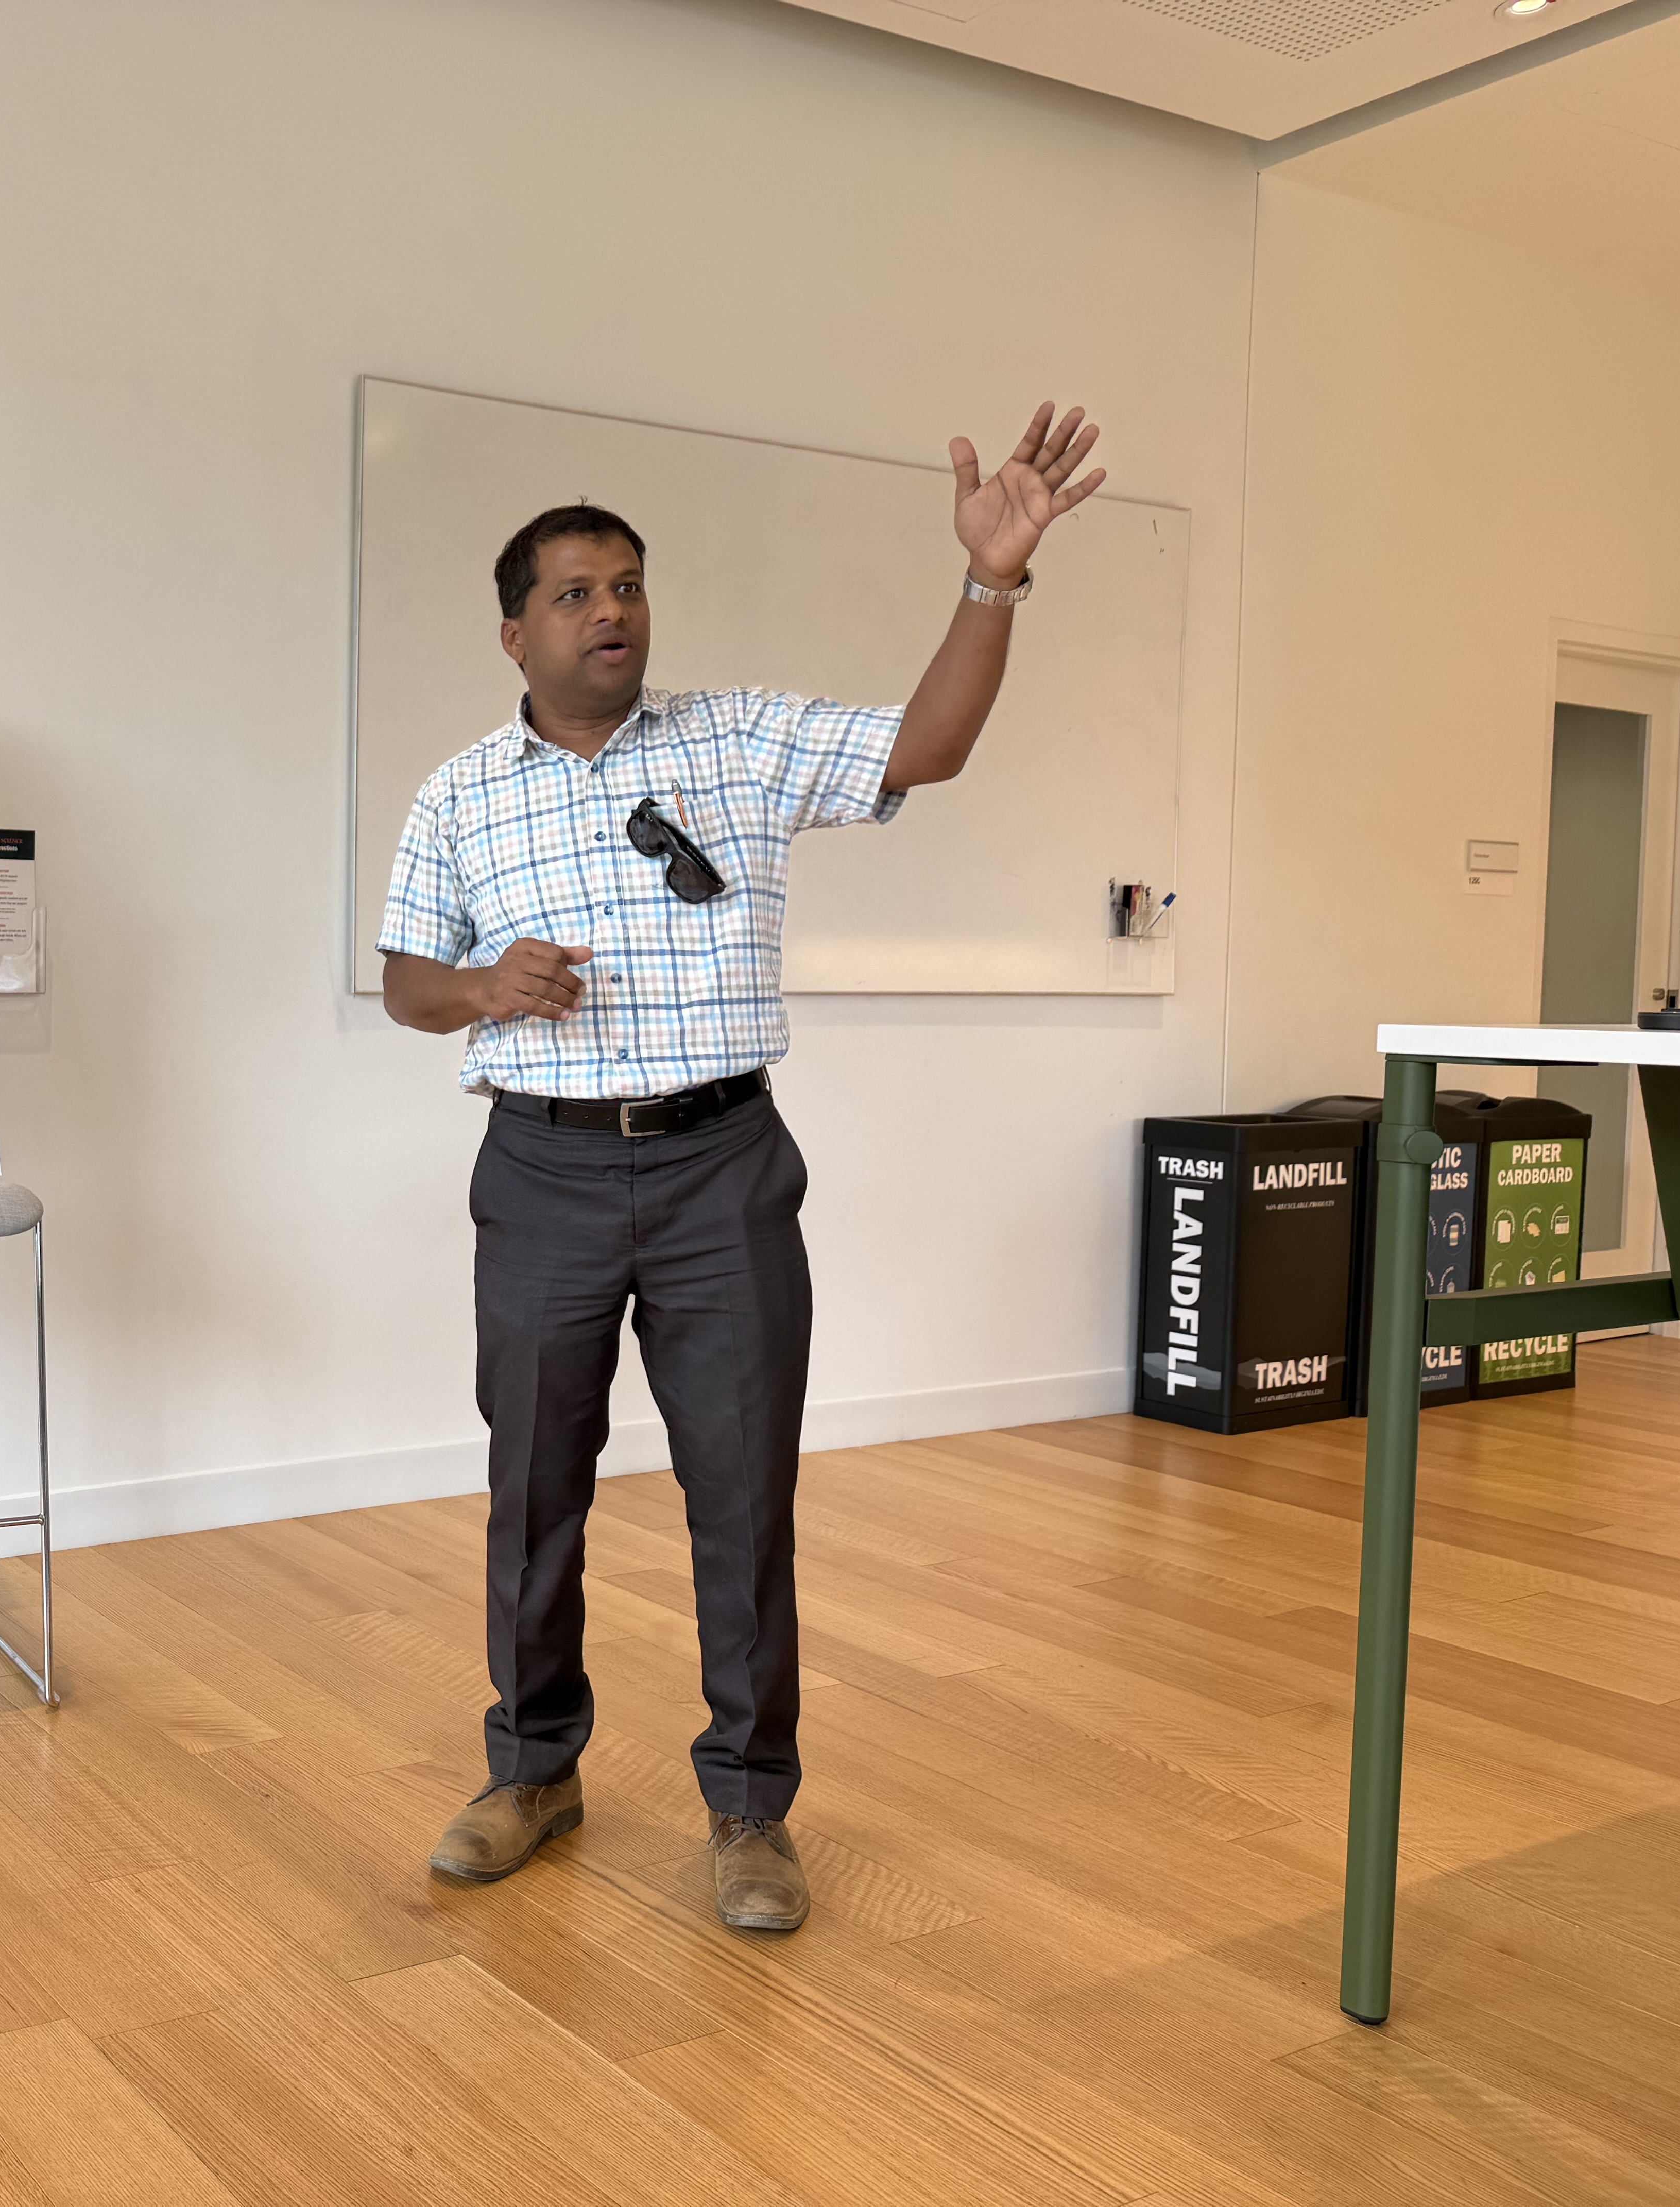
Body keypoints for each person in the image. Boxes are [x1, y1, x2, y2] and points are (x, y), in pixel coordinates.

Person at [378, 403, 1106, 1930]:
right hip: (544, 1169)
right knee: (533, 1487)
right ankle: (533, 1771)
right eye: (575, 593)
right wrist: (483, 986)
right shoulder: (457, 794)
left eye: (628, 585)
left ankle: (751, 1809)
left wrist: (993, 582)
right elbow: (404, 983)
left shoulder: (742, 740)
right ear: (514, 633)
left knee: (742, 1487)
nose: (612, 611)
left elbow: (929, 748)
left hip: (723, 1167)